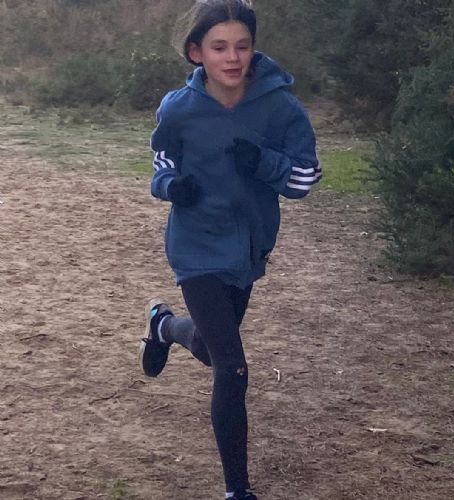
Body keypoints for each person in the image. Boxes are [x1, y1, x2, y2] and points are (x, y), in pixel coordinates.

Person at [138, 1, 321, 498]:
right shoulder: (178, 108)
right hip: (195, 246)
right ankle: (237, 490)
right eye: (219, 47)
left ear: (253, 48)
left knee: (208, 348)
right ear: (197, 52)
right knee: (233, 369)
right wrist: (171, 186)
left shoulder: (281, 108)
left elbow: (304, 180)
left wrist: (263, 162)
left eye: (242, 46)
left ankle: (164, 326)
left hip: (247, 252)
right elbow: (161, 161)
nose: (233, 57)